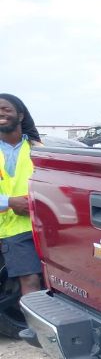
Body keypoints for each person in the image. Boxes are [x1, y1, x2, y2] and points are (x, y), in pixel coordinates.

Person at [0, 93, 42, 295]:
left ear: (21, 116)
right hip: (14, 229)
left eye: (6, 109)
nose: (1, 113)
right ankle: (36, 328)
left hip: (47, 225)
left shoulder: (40, 149)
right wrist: (9, 201)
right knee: (30, 280)